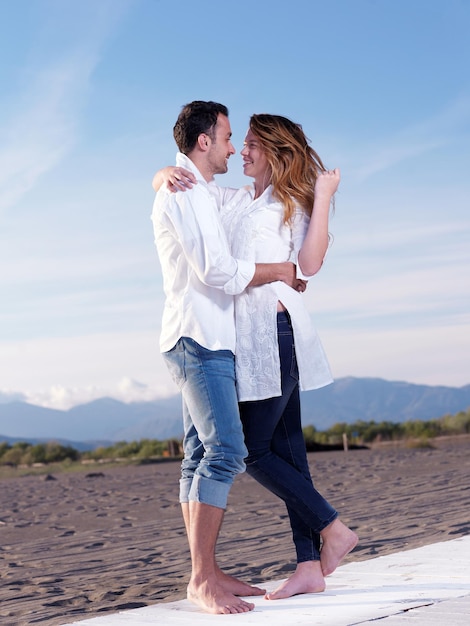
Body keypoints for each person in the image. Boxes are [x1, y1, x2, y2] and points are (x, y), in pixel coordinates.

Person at [154, 113, 358, 600]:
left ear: (274, 151)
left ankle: (333, 530)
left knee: (253, 450)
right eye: (237, 143)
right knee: (288, 452)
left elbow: (308, 265)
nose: (241, 152)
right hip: (242, 338)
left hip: (276, 331)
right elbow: (192, 187)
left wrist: (325, 197)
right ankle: (309, 564)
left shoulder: (293, 200)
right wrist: (162, 174)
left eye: (250, 145)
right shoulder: (238, 198)